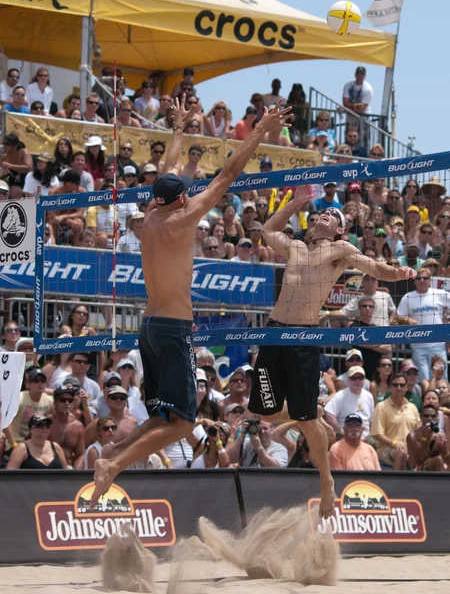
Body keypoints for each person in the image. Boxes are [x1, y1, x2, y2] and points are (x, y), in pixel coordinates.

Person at [89, 99, 294, 507]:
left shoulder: (151, 216)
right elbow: (230, 172)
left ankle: (112, 451)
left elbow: (170, 169)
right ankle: (113, 467)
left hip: (149, 328)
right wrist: (260, 129)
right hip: (172, 328)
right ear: (182, 200)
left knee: (163, 418)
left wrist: (179, 128)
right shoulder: (184, 219)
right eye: (186, 192)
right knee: (182, 426)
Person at [246, 186, 415, 518]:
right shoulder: (295, 247)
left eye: (330, 214)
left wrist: (400, 274)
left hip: (304, 338)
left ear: (339, 228)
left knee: (308, 422)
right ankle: (307, 410)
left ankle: (326, 484)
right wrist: (294, 203)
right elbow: (266, 231)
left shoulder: (341, 248)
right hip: (274, 333)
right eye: (320, 212)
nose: (323, 214)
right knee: (265, 414)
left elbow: (375, 268)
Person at [397, 267, 450, 381]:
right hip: (417, 345)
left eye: (425, 278)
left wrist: (448, 318)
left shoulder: (440, 294)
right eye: (419, 278)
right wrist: (408, 320)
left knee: (441, 377)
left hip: (437, 344)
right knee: (422, 379)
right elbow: (398, 317)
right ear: (414, 280)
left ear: (430, 280)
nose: (422, 281)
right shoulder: (408, 297)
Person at [371, 373, 421, 470]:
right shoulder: (381, 407)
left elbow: (417, 432)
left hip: (409, 449)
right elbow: (377, 434)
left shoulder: (413, 408)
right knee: (402, 453)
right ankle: (398, 484)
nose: (399, 388)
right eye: (395, 385)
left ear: (406, 387)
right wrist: (395, 443)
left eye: (402, 385)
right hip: (387, 448)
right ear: (390, 387)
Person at [324, 366, 374, 439]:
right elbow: (329, 413)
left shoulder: (369, 396)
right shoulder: (340, 395)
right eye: (354, 378)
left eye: (360, 378)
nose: (357, 380)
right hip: (345, 436)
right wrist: (341, 431)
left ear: (364, 379)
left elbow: (371, 420)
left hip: (366, 436)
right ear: (348, 380)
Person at [49, 386, 85, 468]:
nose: (67, 403)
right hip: (51, 469)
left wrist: (76, 473)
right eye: (62, 400)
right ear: (55, 403)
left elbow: (81, 455)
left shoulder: (78, 426)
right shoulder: (47, 424)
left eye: (70, 400)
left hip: (70, 468)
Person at [406, 405, 449, 471]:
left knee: (442, 463)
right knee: (438, 460)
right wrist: (424, 439)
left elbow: (447, 461)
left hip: (438, 467)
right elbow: (421, 459)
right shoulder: (413, 436)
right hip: (417, 469)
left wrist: (445, 452)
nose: (429, 418)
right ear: (420, 417)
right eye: (426, 416)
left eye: (433, 416)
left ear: (437, 417)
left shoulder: (440, 436)